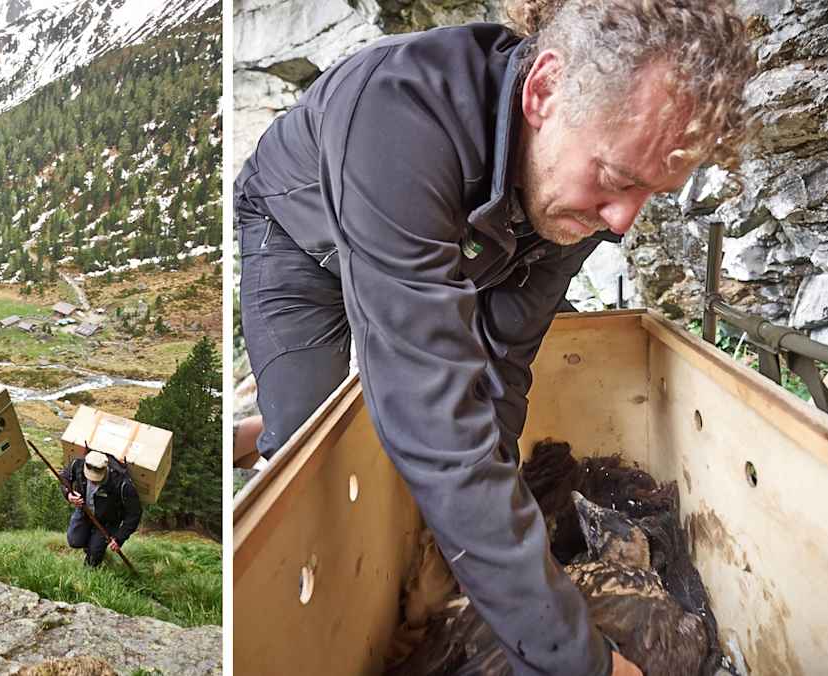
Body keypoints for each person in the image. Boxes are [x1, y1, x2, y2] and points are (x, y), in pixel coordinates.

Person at [233, 0, 753, 673]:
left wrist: (486, 558)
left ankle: (255, 435)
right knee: (305, 449)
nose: (621, 221)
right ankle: (259, 435)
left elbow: (500, 365)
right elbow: (433, 420)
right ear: (542, 91)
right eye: (618, 179)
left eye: (651, 192)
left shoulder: (570, 191)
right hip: (300, 235)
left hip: (460, 238)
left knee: (453, 437)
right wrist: (580, 661)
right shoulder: (401, 117)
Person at [64, 450, 142, 567]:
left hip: (107, 522)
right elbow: (64, 477)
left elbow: (134, 514)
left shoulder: (122, 484)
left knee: (93, 559)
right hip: (84, 511)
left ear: (105, 470)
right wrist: (68, 494)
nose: (92, 481)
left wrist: (119, 538)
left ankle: (93, 558)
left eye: (96, 479)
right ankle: (91, 544)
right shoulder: (78, 465)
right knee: (74, 541)